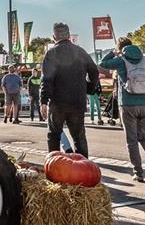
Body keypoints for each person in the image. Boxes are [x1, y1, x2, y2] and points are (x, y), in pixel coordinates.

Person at [100, 43, 145, 183]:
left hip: (127, 105)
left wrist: (113, 52)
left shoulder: (120, 61)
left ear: (121, 49)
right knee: (144, 137)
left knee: (131, 140)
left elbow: (102, 63)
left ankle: (138, 173)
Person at [40, 22, 100, 156]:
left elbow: (47, 79)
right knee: (79, 137)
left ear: (53, 37)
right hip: (77, 101)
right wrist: (88, 89)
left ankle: (55, 167)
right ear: (68, 35)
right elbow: (95, 72)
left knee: (54, 135)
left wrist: (43, 100)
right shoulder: (80, 51)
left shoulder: (51, 53)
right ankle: (84, 169)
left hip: (58, 102)